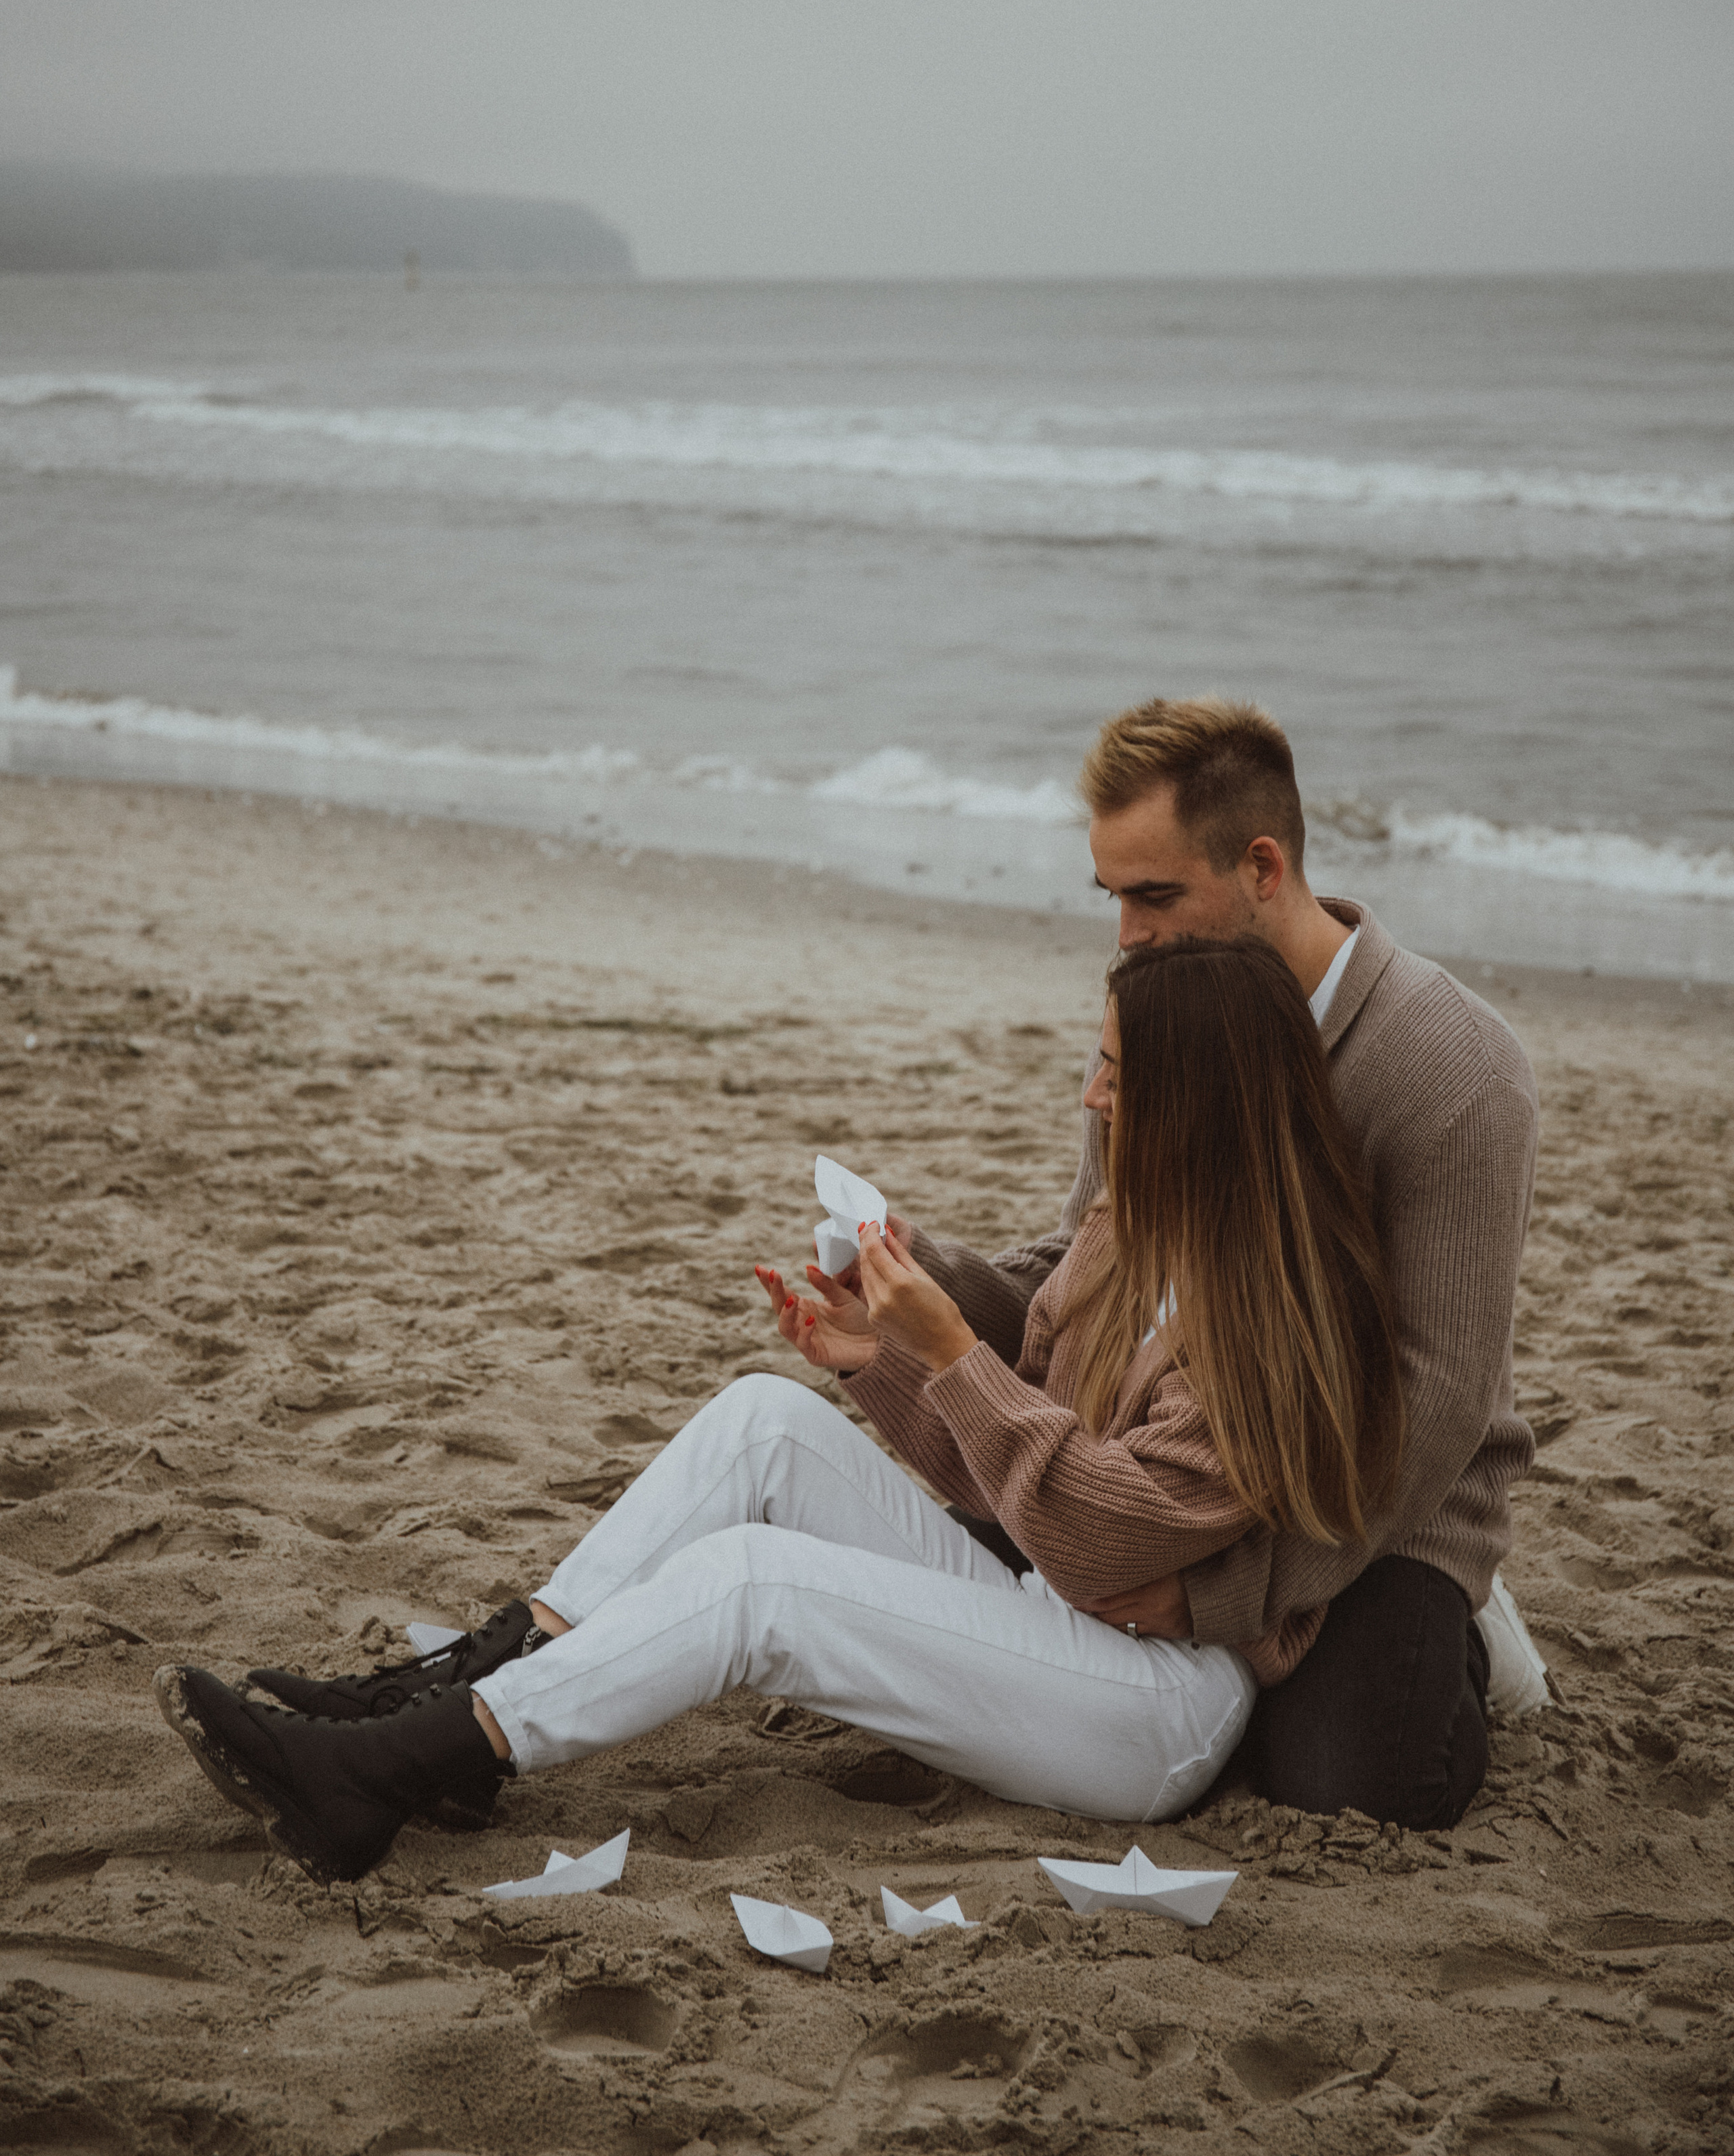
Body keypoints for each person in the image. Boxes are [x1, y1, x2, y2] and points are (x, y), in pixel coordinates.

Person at [153, 935, 1401, 1888]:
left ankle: (397, 1770)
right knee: (763, 1416)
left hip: (1159, 1709)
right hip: (1061, 1617)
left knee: (760, 1586)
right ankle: (462, 1692)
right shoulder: (1130, 1232)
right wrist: (882, 1363)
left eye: (1118, 1077)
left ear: (1199, 1100)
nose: (1091, 1098)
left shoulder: (1282, 1309)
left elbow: (1095, 1538)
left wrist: (955, 1351)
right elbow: (1018, 1492)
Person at [874, 695, 1538, 1832]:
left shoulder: (1452, 1064)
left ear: (1263, 865)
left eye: (1156, 894)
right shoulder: (1161, 1018)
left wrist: (1221, 1593)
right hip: (1185, 1453)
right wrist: (915, 1284)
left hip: (1378, 1501)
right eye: (1113, 895)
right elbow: (1087, 1264)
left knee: (1343, 1788)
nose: (1127, 933)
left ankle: (1481, 1632)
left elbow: (1435, 1404)